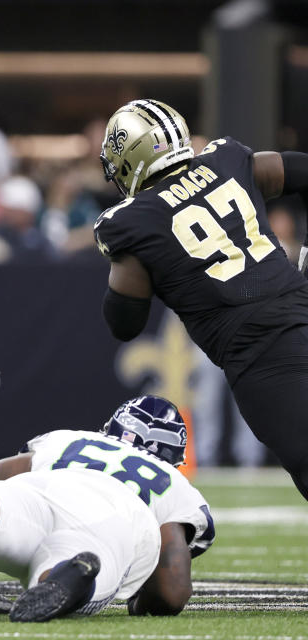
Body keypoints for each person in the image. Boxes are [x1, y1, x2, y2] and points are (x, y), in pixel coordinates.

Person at [94, 99, 308, 500]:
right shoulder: (225, 161)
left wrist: (126, 260)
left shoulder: (131, 223)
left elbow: (124, 322)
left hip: (264, 356)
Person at [0, 366, 164, 622]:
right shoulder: (167, 477)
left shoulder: (69, 440)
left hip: (46, 491)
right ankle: (65, 576)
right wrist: (144, 603)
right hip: (109, 520)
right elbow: (173, 591)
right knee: (66, 573)